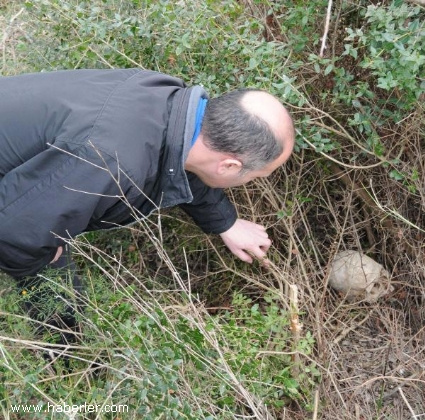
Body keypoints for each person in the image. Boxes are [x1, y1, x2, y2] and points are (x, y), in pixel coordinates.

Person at [0, 68, 294, 340]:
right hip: (12, 217)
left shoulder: (165, 99)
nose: (254, 181)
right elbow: (11, 233)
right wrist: (42, 259)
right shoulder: (112, 163)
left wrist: (225, 222)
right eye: (257, 176)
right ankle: (68, 371)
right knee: (52, 281)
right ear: (229, 166)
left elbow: (179, 162)